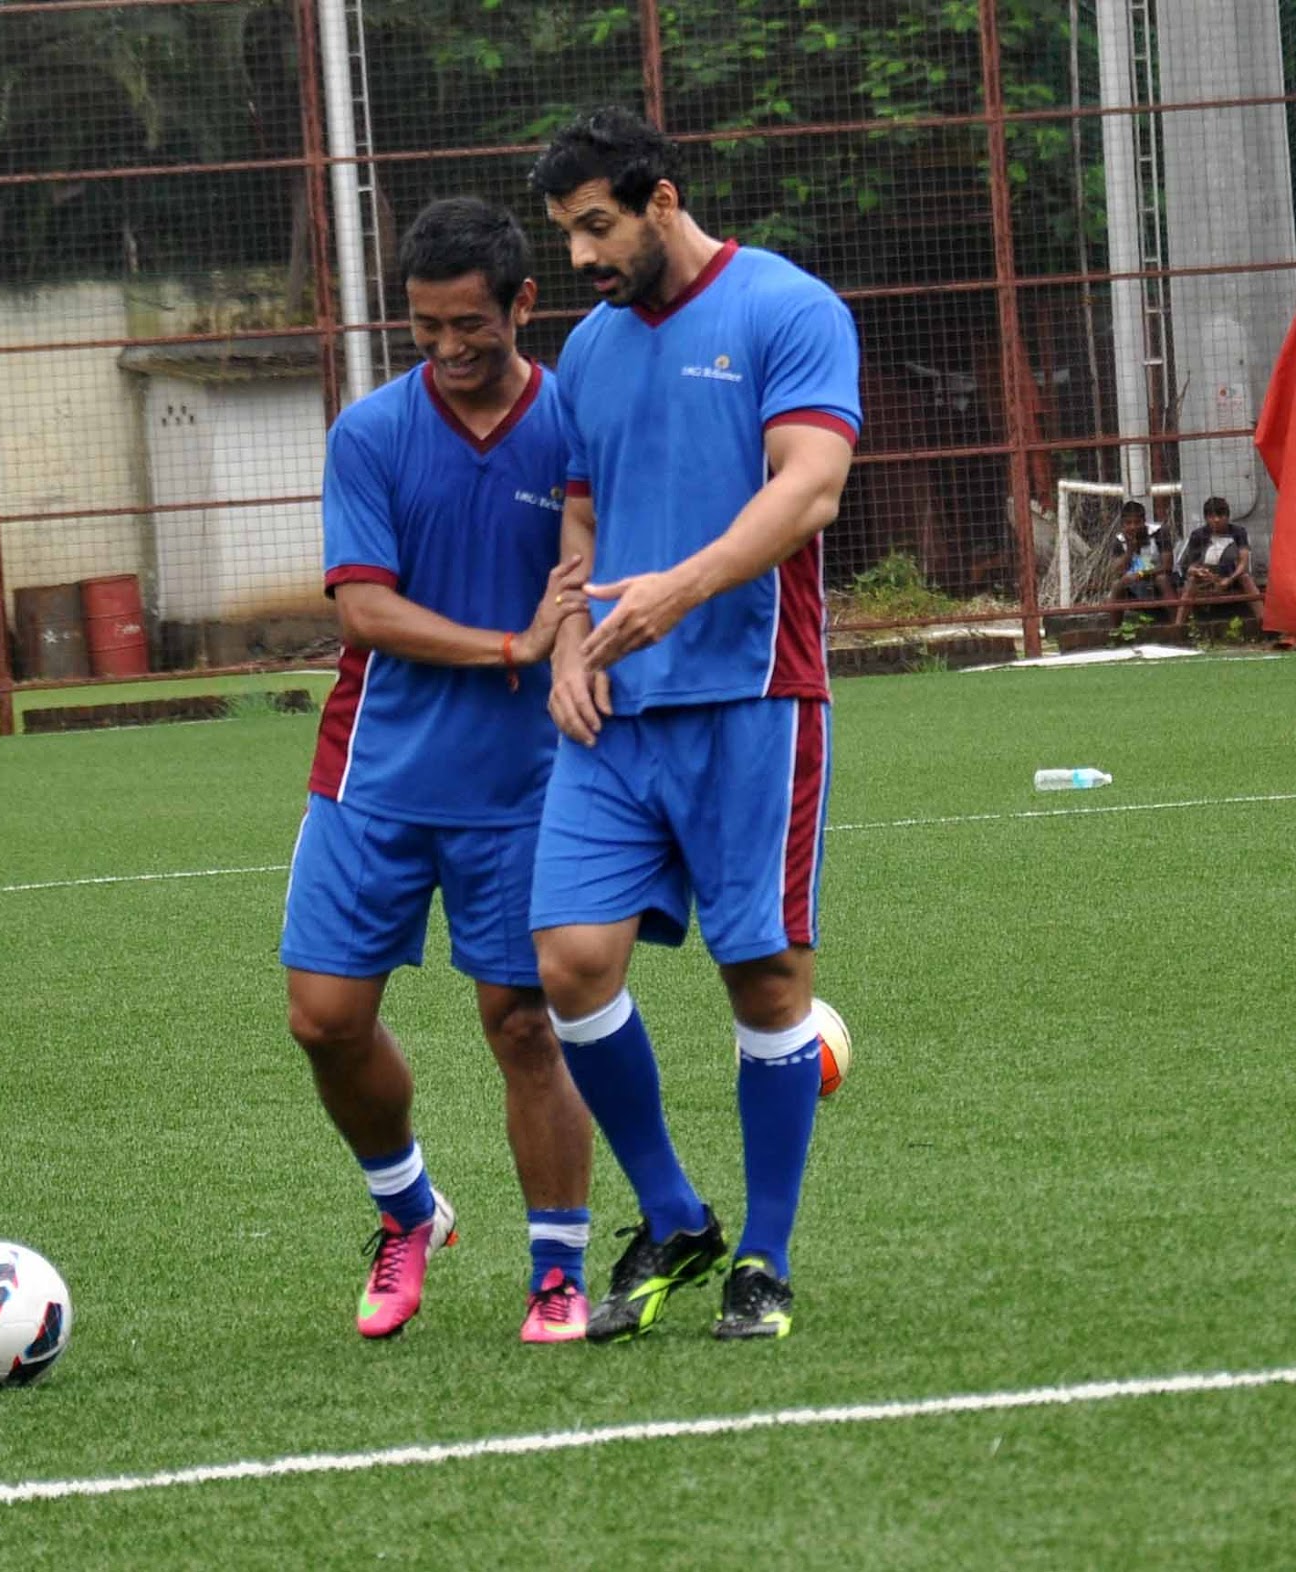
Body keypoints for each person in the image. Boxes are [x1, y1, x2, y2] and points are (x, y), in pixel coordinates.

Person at [526, 107, 861, 1342]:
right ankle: (671, 1212)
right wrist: (568, 639)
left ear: (661, 200)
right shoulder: (587, 351)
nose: (579, 257)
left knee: (764, 977)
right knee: (565, 961)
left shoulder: (787, 309)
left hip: (752, 698)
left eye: (596, 227)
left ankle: (762, 1259)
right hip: (613, 715)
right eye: (565, 234)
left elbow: (807, 487)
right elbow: (579, 521)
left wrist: (679, 586)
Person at [282, 196, 596, 1344]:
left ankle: (555, 1272)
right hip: (373, 774)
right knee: (322, 1021)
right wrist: (509, 646)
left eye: (471, 325)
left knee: (522, 1026)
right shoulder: (367, 435)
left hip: (523, 788)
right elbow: (362, 608)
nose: (451, 351)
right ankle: (405, 1208)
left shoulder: (573, 422)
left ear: (522, 302)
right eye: (424, 331)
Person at [1172, 495, 1262, 627]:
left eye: (1220, 516)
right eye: (1211, 516)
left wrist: (1229, 579)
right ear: (1206, 518)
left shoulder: (1238, 532)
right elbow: (1189, 566)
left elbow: (1243, 562)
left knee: (1246, 578)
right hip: (1207, 579)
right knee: (1191, 582)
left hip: (1232, 578)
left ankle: (1264, 620)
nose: (1216, 520)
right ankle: (1178, 626)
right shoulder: (1198, 535)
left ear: (1227, 516)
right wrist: (1199, 572)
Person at [1106, 501, 1173, 624]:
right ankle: (1114, 632)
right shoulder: (1119, 540)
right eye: (1128, 523)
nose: (1133, 527)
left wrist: (1142, 574)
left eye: (1137, 522)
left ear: (1144, 521)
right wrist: (1130, 550)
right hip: (1134, 583)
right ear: (1123, 524)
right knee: (1117, 585)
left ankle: (1176, 626)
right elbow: (1118, 570)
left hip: (1159, 579)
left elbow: (1167, 566)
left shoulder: (1159, 532)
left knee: (1162, 579)